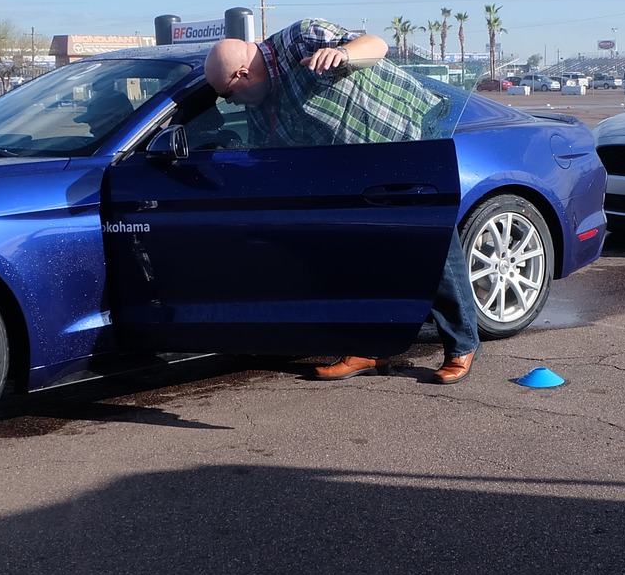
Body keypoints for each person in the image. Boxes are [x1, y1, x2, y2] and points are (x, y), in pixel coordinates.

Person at [204, 20, 478, 384]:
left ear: (243, 74)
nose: (231, 103)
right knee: (362, 254)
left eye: (228, 94)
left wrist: (343, 54)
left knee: (433, 247)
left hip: (405, 140)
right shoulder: (260, 103)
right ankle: (369, 348)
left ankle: (462, 344)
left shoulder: (299, 37)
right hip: (353, 169)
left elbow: (377, 45)